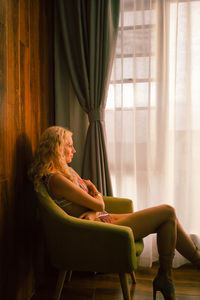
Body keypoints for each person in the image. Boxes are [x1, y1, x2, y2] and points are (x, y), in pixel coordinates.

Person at [28, 126, 200, 300]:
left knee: (167, 219)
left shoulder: (65, 171)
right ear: (57, 147)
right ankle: (180, 269)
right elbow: (98, 203)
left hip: (101, 219)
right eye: (69, 145)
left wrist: (95, 212)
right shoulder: (56, 179)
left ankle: (169, 275)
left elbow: (94, 208)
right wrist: (95, 191)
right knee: (167, 212)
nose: (74, 150)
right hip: (98, 230)